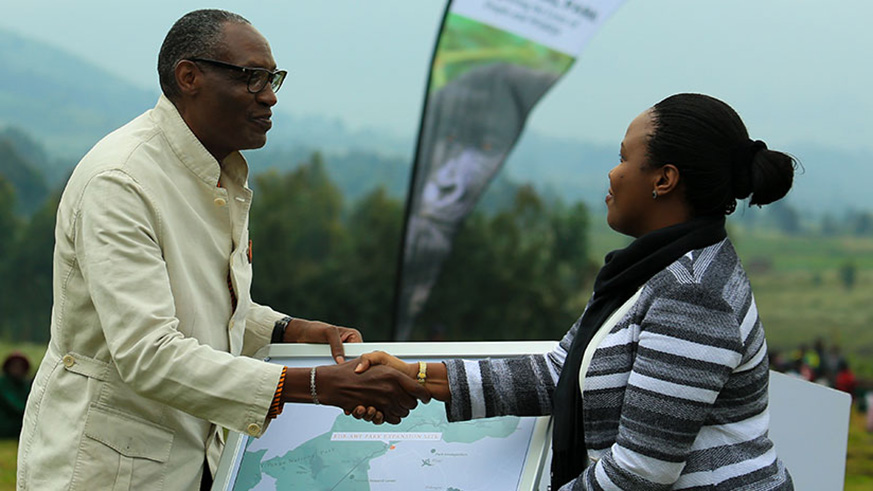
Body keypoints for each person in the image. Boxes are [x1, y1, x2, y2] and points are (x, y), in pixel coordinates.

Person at [16, 9, 427, 490]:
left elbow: (204, 307)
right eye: (252, 79)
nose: (270, 97)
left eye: (273, 79)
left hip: (190, 461)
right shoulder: (122, 181)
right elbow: (148, 352)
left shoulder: (215, 173)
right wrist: (315, 386)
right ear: (189, 77)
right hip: (106, 468)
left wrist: (292, 331)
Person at [356, 93, 796, 490]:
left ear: (664, 179)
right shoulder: (652, 271)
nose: (612, 172)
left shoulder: (693, 294)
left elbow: (642, 471)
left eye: (624, 159)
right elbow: (560, 372)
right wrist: (414, 376)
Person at [0, 352, 31, 439]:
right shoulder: (3, 383)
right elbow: (14, 405)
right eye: (14, 365)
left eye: (20, 366)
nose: (17, 368)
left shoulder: (25, 384)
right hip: (6, 424)